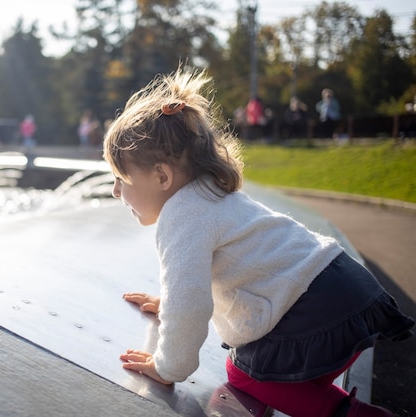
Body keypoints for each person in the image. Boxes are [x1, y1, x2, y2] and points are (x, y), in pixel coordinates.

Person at [102, 68, 414, 417]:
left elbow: (189, 300)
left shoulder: (181, 216)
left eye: (121, 178)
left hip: (319, 310)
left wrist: (167, 368)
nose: (116, 192)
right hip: (345, 292)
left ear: (162, 176)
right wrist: (169, 303)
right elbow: (205, 280)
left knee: (245, 374)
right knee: (275, 373)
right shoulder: (211, 193)